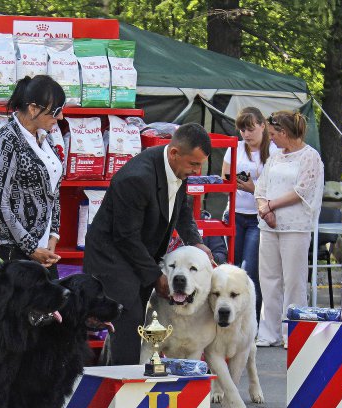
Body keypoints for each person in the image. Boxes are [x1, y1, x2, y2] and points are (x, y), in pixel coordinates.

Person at [83, 123, 214, 366]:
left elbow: (183, 211)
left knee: (134, 323)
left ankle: (121, 379)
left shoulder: (178, 169)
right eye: (193, 165)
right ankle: (125, 389)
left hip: (139, 254)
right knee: (129, 321)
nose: (196, 171)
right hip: (112, 258)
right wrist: (156, 275)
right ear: (174, 153)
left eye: (200, 165)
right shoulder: (136, 178)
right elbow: (125, 237)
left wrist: (197, 243)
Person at [255, 111, 324, 348]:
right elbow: (261, 187)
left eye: (273, 134)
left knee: (294, 280)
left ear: (284, 133)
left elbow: (302, 191)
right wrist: (265, 208)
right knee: (268, 278)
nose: (271, 138)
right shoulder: (274, 157)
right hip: (269, 225)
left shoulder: (309, 157)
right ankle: (268, 331)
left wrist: (272, 205)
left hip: (295, 226)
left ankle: (293, 331)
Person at [0, 75, 65, 278]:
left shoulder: (47, 137)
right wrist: (30, 248)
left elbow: (54, 191)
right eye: (56, 110)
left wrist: (53, 236)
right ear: (33, 109)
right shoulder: (7, 139)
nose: (61, 117)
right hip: (12, 250)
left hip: (42, 248)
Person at [221, 107, 278, 320]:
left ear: (263, 126)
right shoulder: (233, 148)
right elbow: (225, 178)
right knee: (231, 268)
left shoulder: (274, 151)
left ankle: (251, 322)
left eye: (251, 129)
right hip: (234, 213)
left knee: (249, 270)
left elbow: (274, 188)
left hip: (258, 217)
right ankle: (230, 317)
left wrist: (254, 188)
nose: (246, 134)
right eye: (242, 129)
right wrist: (235, 181)